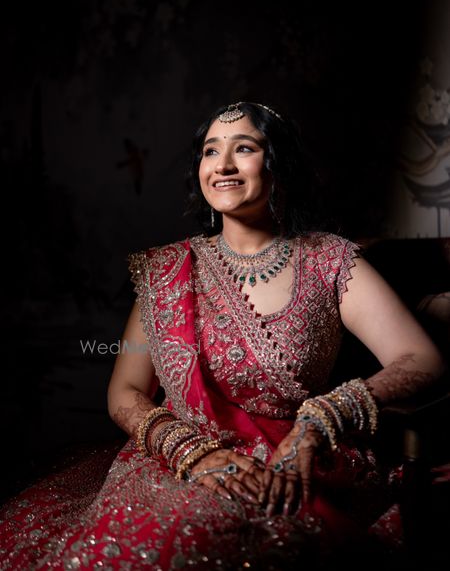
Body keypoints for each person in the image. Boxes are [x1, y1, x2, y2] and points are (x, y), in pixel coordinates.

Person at [0, 101, 446, 570]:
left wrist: (322, 420)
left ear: (278, 163)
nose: (223, 165)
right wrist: (191, 454)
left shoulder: (328, 261)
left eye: (244, 148)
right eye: (211, 151)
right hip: (181, 464)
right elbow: (125, 390)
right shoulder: (168, 269)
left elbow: (421, 358)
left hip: (294, 465)